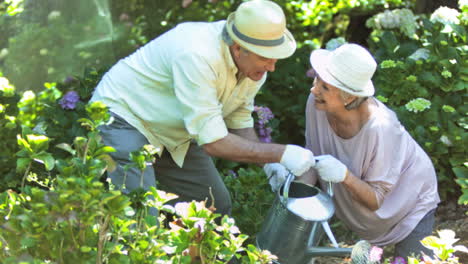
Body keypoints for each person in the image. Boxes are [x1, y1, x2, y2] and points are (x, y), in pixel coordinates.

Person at [90, 0, 315, 216]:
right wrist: (282, 153)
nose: (272, 67)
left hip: (171, 129)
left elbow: (239, 119)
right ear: (238, 48)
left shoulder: (254, 67)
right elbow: (214, 142)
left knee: (212, 205)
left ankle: (195, 256)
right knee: (140, 213)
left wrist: (269, 163)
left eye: (275, 59)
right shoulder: (197, 53)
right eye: (266, 59)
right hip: (124, 116)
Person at [266, 43, 440, 259]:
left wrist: (345, 176)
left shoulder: (382, 129)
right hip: (366, 220)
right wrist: (292, 184)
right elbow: (313, 160)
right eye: (316, 79)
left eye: (325, 87)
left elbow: (376, 199)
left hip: (409, 205)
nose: (314, 89)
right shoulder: (316, 104)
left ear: (349, 96)